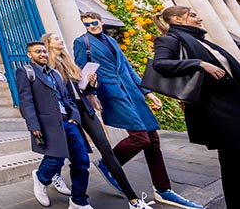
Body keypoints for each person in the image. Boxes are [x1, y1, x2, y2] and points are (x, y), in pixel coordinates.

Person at [73, 12, 202, 209]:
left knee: (153, 139)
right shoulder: (82, 42)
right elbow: (84, 71)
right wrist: (91, 94)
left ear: (101, 21)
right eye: (88, 24)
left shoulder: (111, 40)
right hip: (112, 93)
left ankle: (163, 189)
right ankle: (108, 163)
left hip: (133, 92)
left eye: (94, 22)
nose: (92, 26)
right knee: (140, 137)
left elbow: (126, 67)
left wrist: (148, 92)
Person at [42, 33, 152, 209]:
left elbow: (82, 88)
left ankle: (133, 200)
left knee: (106, 148)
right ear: (47, 44)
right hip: (68, 113)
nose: (61, 40)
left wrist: (92, 83)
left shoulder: (69, 61)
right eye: (56, 39)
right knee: (70, 152)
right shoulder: (47, 66)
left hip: (84, 108)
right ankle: (50, 176)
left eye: (60, 38)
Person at [152, 6, 240, 209]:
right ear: (177, 20)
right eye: (192, 15)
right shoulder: (169, 39)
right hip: (216, 109)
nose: (199, 18)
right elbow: (160, 64)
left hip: (233, 103)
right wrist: (198, 63)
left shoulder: (202, 41)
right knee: (232, 162)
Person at [16, 41, 93, 209]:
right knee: (55, 160)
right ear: (30, 55)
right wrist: (33, 125)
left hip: (69, 122)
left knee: (82, 161)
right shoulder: (25, 72)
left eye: (44, 51)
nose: (42, 54)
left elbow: (68, 99)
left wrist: (75, 117)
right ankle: (41, 178)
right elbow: (26, 102)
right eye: (38, 52)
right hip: (47, 124)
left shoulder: (56, 74)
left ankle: (79, 201)